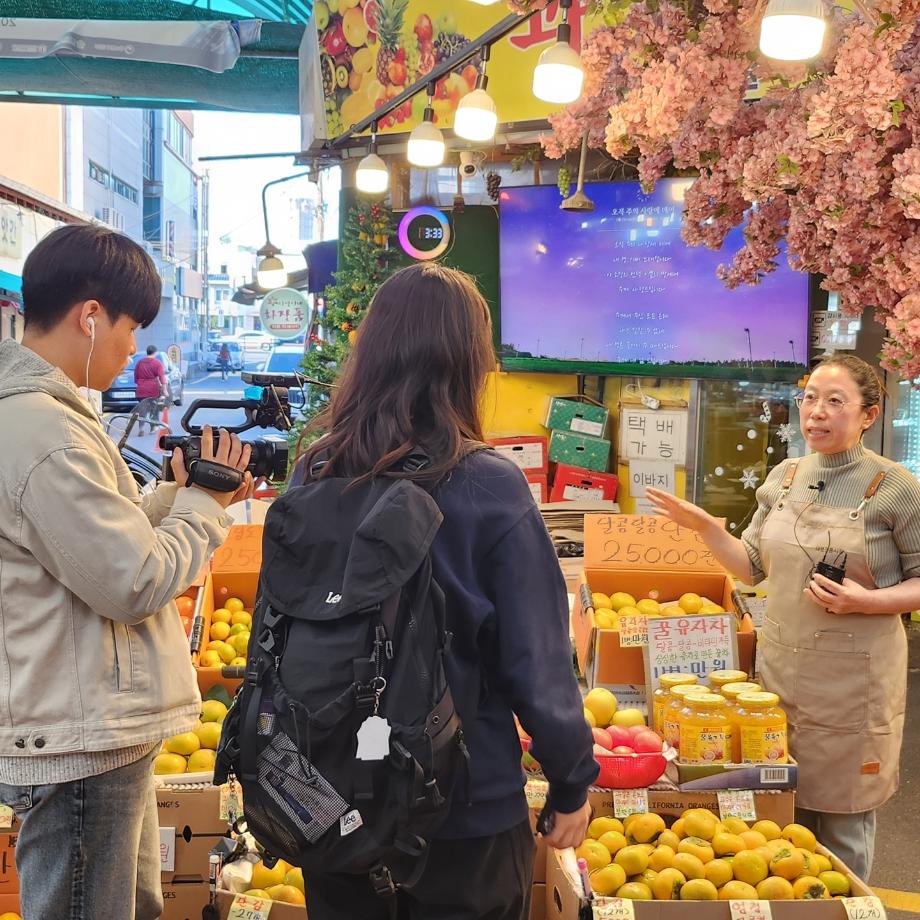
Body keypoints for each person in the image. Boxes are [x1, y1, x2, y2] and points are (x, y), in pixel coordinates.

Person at [288, 263, 597, 919]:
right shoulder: (486, 484)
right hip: (462, 803)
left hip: (335, 798)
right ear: (468, 362)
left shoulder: (315, 472)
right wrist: (571, 780)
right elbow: (535, 660)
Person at [0, 223, 256, 920]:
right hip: (81, 735)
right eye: (131, 329)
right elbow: (132, 580)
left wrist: (174, 494)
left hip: (89, 723)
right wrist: (204, 506)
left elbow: (92, 541)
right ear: (89, 316)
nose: (133, 350)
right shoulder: (42, 432)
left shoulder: (48, 418)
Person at [647, 354, 920, 880]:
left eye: (835, 401)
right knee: (778, 830)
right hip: (776, 689)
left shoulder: (896, 487)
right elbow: (750, 567)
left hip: (854, 689)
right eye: (810, 398)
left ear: (868, 414)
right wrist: (705, 529)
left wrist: (867, 602)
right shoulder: (786, 476)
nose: (816, 412)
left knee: (842, 828)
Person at [134, 343, 167, 434]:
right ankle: (153, 427)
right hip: (153, 390)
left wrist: (141, 383)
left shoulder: (139, 363)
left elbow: (136, 378)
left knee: (142, 409)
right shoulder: (157, 363)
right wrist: (164, 390)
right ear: (155, 353)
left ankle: (141, 428)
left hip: (141, 389)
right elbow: (162, 378)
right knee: (154, 408)